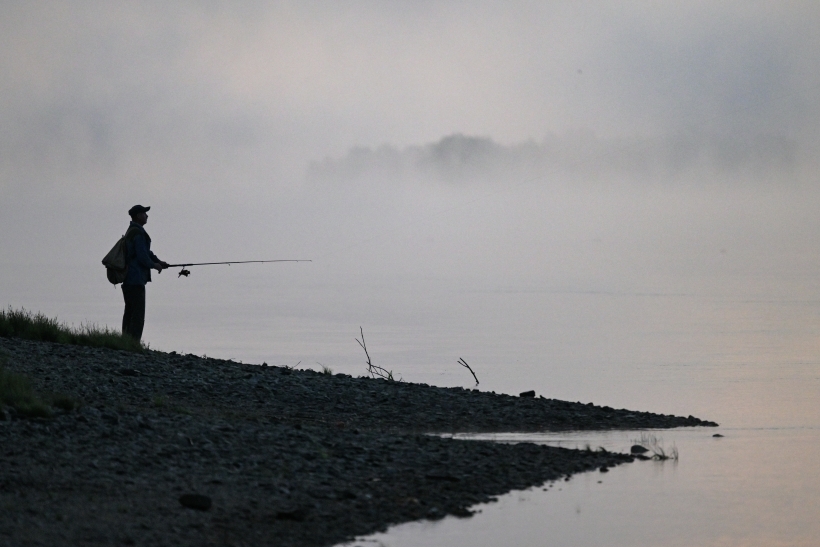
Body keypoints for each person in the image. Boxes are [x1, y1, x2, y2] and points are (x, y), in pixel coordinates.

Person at [121, 205, 169, 342]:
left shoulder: (132, 231)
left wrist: (159, 261)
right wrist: (155, 265)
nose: (147, 216)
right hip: (135, 279)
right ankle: (134, 343)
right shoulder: (138, 233)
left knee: (129, 312)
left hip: (129, 279)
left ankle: (125, 341)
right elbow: (142, 256)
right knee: (137, 314)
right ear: (137, 216)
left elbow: (146, 253)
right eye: (144, 213)